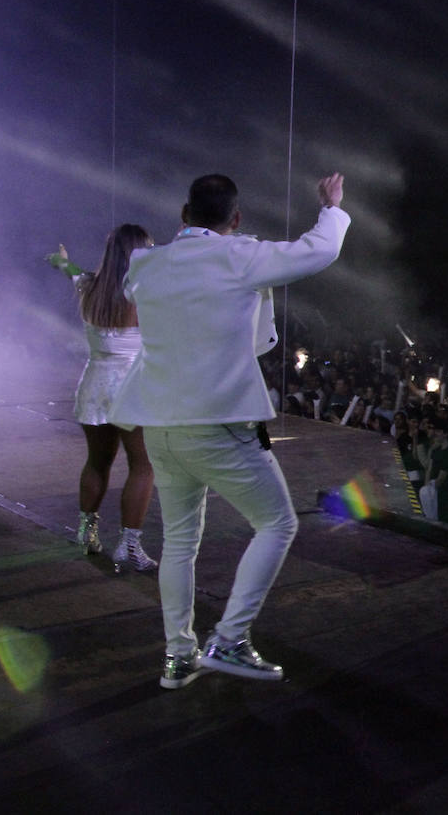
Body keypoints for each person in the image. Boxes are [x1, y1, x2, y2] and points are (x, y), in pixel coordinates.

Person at [109, 172, 350, 690]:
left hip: (160, 427)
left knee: (178, 543)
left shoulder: (146, 265)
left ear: (183, 214)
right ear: (235, 219)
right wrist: (330, 206)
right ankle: (230, 639)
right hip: (217, 424)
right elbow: (320, 250)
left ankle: (178, 657)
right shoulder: (240, 255)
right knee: (278, 524)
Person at [47, 226, 158, 572]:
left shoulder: (90, 287)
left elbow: (74, 272)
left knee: (98, 462)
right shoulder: (146, 294)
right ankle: (129, 546)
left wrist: (61, 262)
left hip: (95, 385)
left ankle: (87, 532)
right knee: (143, 465)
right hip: (133, 387)